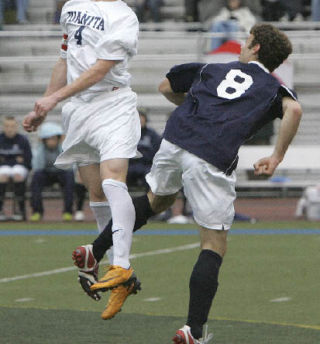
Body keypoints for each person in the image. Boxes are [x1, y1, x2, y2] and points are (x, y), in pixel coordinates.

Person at [72, 23, 302, 339]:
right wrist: (276, 157)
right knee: (213, 244)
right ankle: (194, 330)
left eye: (246, 41)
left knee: (157, 199)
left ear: (256, 48)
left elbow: (166, 86)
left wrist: (199, 108)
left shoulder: (212, 68)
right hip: (211, 152)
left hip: (176, 139)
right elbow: (295, 110)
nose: (241, 45)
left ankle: (93, 250)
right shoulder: (272, 87)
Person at [23, 0, 153, 316]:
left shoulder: (125, 18)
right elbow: (64, 59)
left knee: (114, 180)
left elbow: (99, 70)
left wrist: (54, 98)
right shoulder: (72, 6)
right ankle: (107, 266)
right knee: (95, 192)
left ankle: (122, 265)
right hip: (77, 110)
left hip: (112, 104)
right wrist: (45, 106)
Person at [30, 122, 75, 222]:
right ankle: (37, 212)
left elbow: (68, 166)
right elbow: (38, 166)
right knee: (36, 176)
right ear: (44, 140)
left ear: (58, 139)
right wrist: (41, 145)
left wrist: (61, 145)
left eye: (54, 138)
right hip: (46, 173)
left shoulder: (63, 147)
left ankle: (68, 211)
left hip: (61, 172)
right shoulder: (40, 149)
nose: (51, 141)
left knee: (69, 176)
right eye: (48, 139)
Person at [0, 116, 32, 221]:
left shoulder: (23, 140)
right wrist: (15, 159)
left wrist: (5, 159)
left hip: (19, 168)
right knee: (2, 175)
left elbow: (27, 159)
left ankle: (20, 209)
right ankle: (1, 210)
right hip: (3, 168)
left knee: (17, 175)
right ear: (3, 127)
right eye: (7, 126)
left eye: (12, 126)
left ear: (17, 127)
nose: (10, 129)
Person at [127, 109, 161, 189]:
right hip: (131, 164)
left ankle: (148, 198)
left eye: (141, 119)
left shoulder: (152, 134)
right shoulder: (127, 134)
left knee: (151, 175)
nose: (140, 121)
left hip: (147, 165)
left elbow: (157, 151)